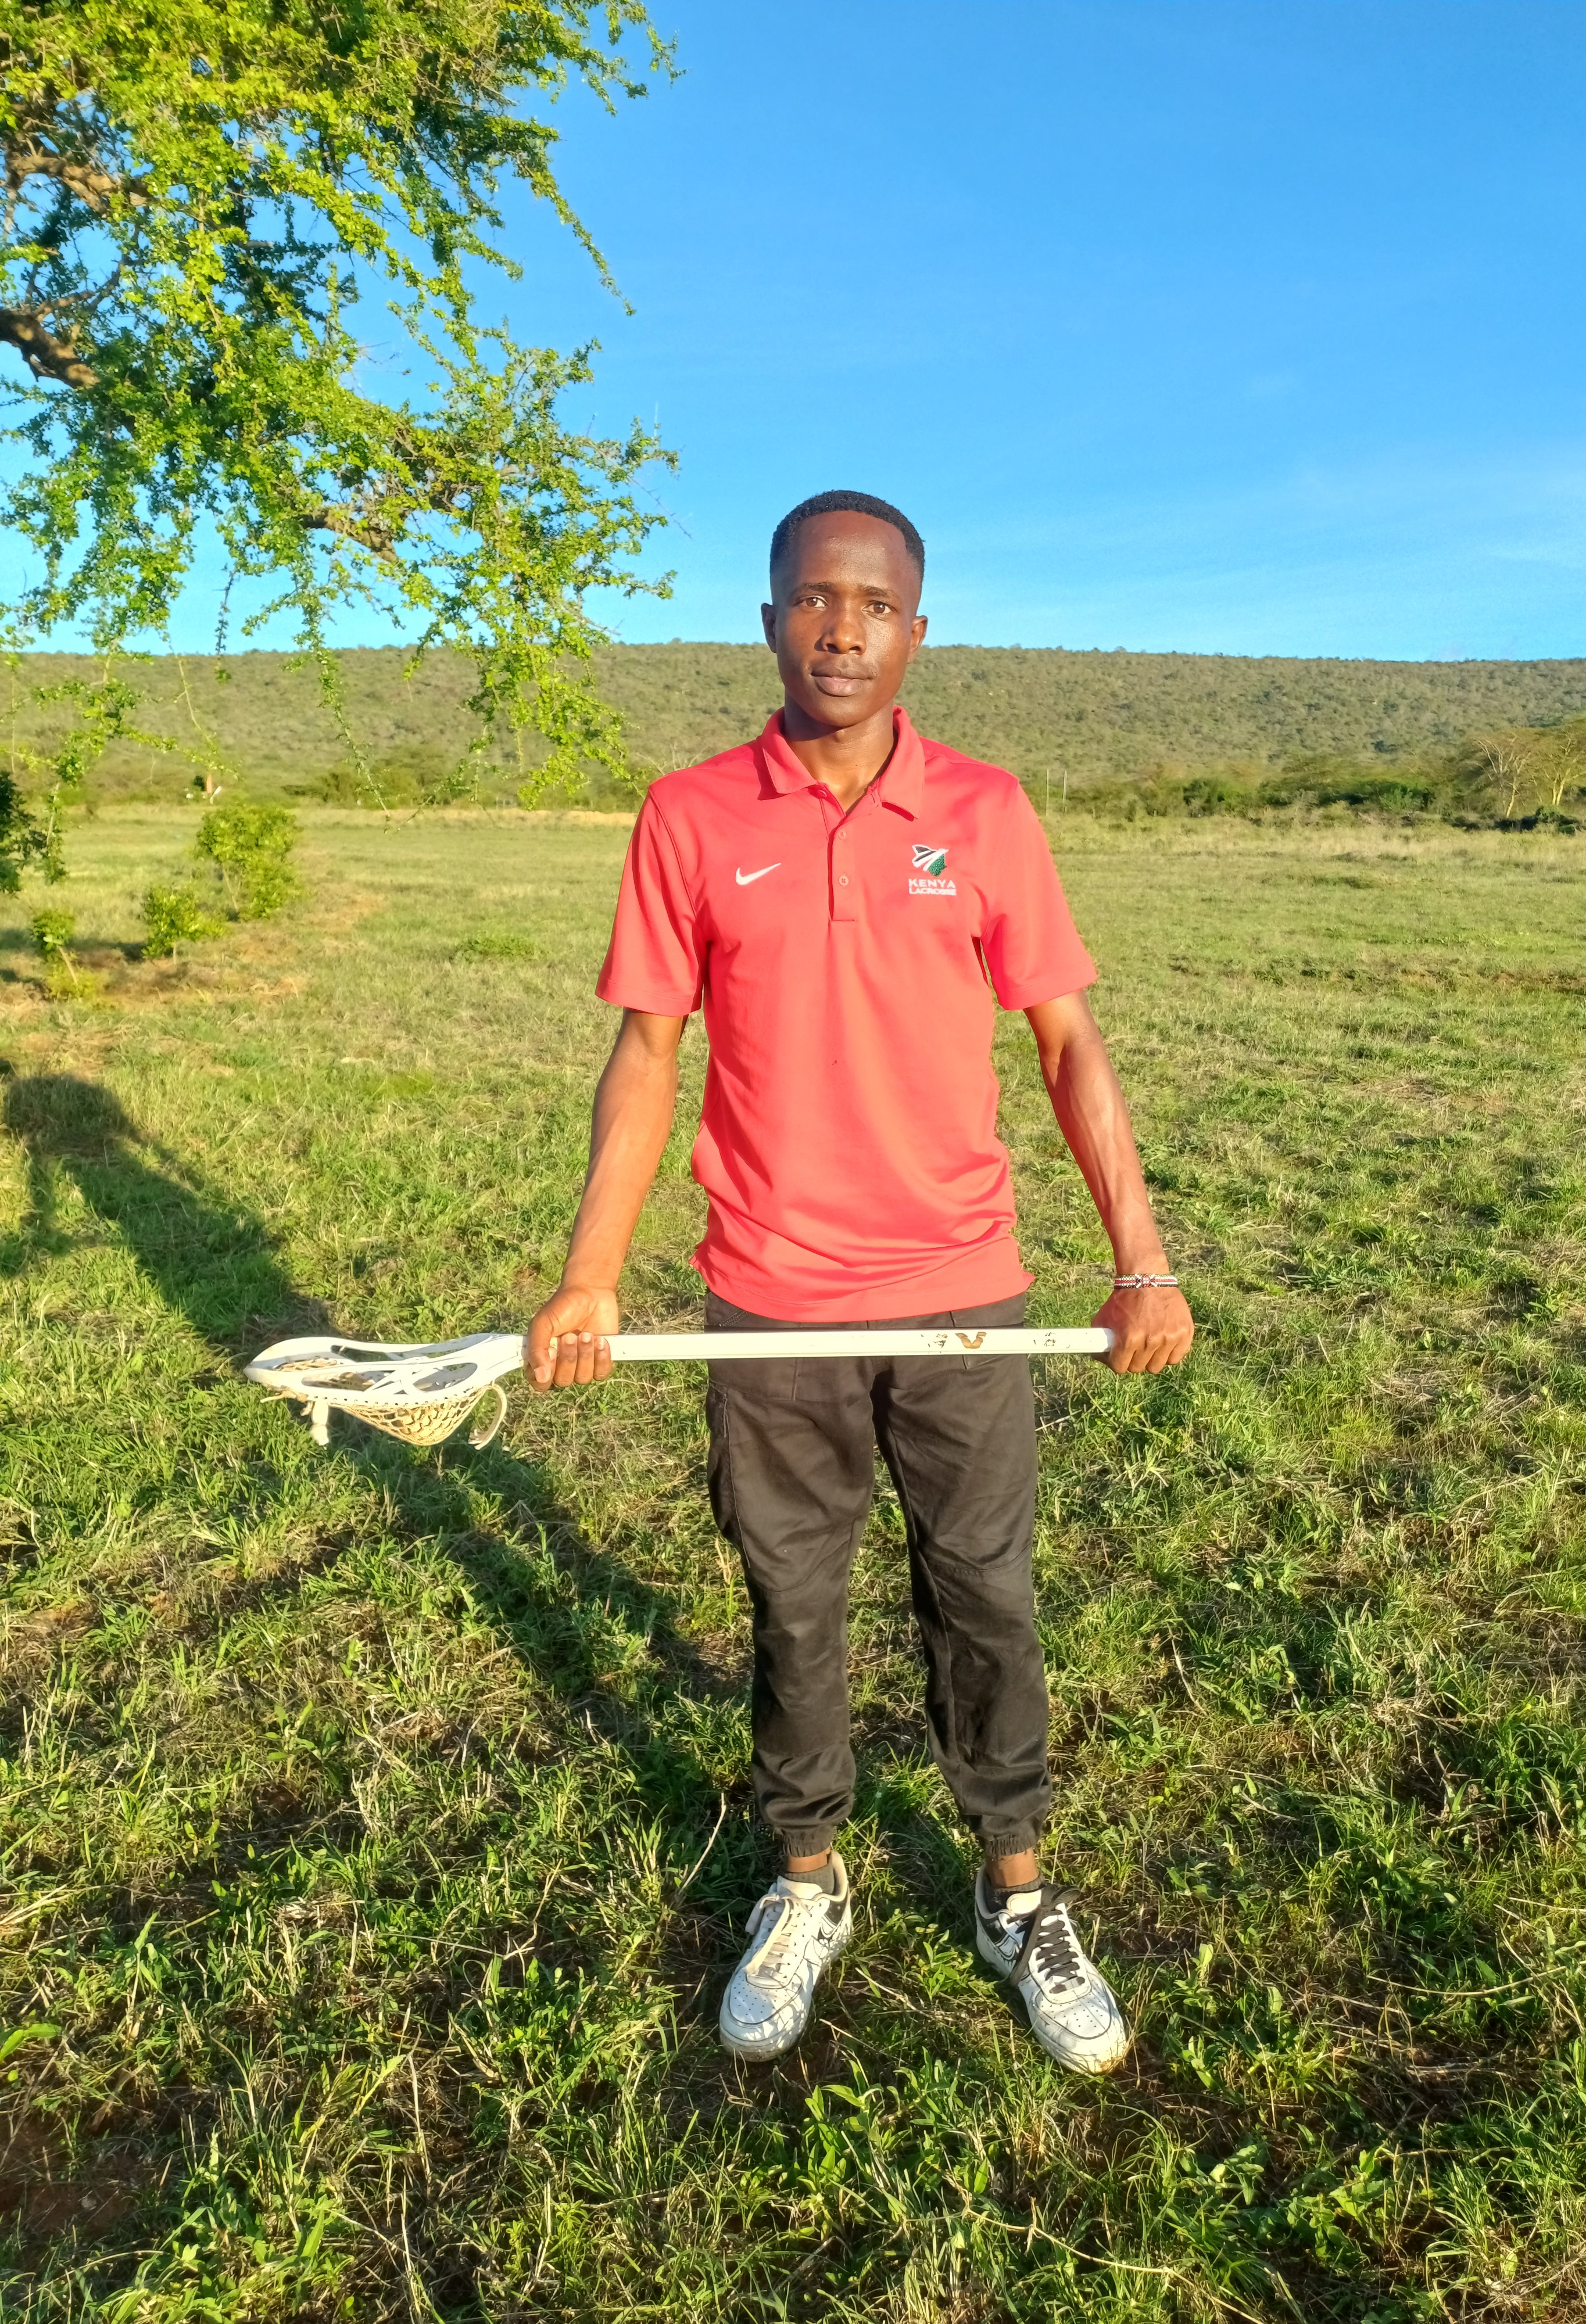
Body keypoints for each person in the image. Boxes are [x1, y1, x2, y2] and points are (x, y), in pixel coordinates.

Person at [527, 490, 1193, 2074]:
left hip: (966, 1296)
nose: (842, 628)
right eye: (813, 599)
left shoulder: (990, 810)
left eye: (876, 604)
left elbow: (1070, 1039)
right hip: (769, 1299)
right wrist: (589, 1277)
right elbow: (645, 1055)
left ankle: (1016, 1889)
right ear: (766, 620)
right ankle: (808, 1877)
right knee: (793, 1600)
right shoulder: (691, 815)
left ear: (918, 630)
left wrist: (1142, 1258)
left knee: (988, 1596)